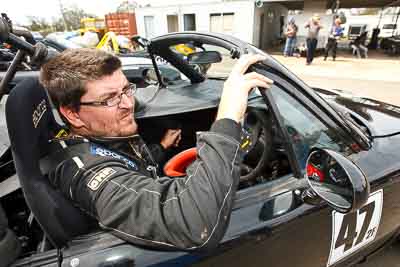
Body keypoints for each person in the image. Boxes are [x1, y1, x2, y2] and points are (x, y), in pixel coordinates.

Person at [39, 48, 273, 250]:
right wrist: (229, 116)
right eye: (109, 99)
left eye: (126, 89)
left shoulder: (102, 133)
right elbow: (194, 226)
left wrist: (161, 147)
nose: (128, 104)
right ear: (72, 113)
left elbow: (132, 166)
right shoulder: (83, 172)